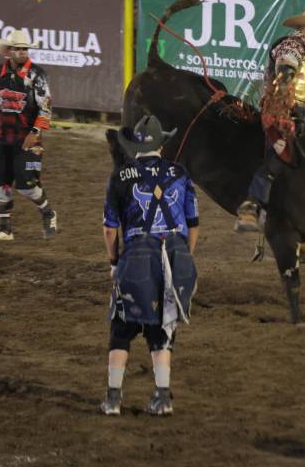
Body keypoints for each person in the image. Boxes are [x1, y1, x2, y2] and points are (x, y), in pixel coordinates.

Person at [100, 115, 200, 416]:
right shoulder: (180, 174)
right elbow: (193, 224)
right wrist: (184, 255)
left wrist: (114, 262)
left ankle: (114, 398)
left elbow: (109, 229)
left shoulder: (120, 176)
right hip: (175, 256)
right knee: (162, 328)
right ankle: (163, 396)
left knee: (121, 328)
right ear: (161, 145)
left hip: (137, 255)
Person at [235, 9, 305, 232]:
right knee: (277, 157)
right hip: (283, 112)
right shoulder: (291, 47)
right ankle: (250, 209)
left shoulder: (301, 50)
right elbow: (285, 72)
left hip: (293, 112)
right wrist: (283, 103)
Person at [0, 28, 58, 242]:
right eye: (19, 49)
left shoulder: (37, 74)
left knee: (27, 186)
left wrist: (36, 132)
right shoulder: (0, 72)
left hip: (26, 137)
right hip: (2, 136)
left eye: (25, 49)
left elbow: (46, 107)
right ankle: (5, 229)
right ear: (9, 51)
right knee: (0, 182)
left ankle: (48, 212)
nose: (23, 52)